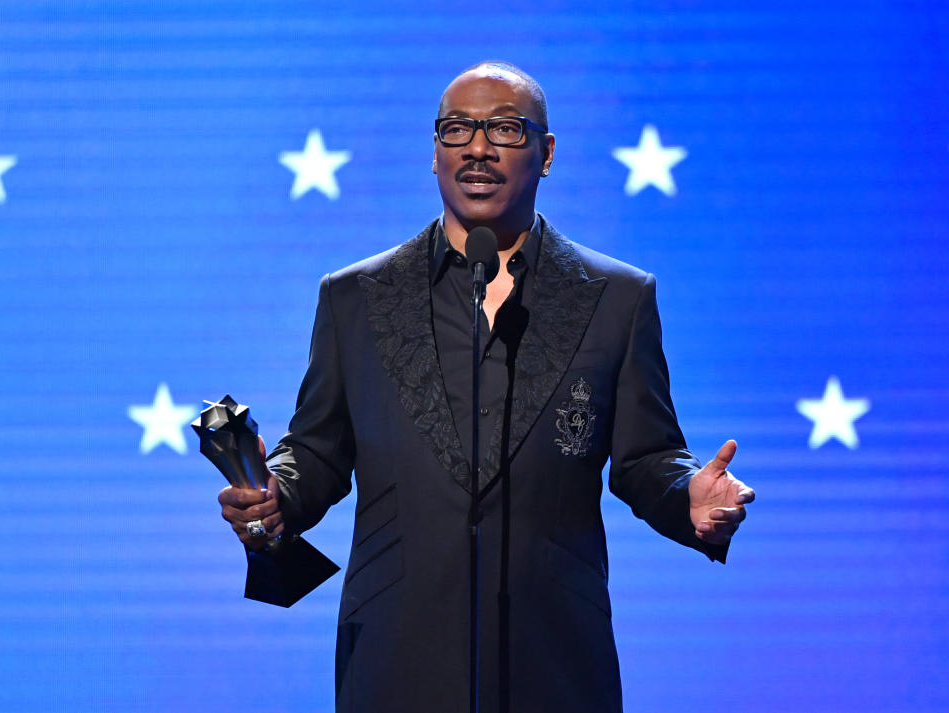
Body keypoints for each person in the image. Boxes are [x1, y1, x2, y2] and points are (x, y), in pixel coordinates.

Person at [218, 61, 755, 713]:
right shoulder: (354, 297)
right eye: (456, 130)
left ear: (546, 153)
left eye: (503, 128)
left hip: (555, 657)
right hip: (397, 654)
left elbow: (645, 457)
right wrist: (277, 491)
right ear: (435, 152)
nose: (477, 147)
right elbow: (318, 450)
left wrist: (689, 494)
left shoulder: (618, 298)